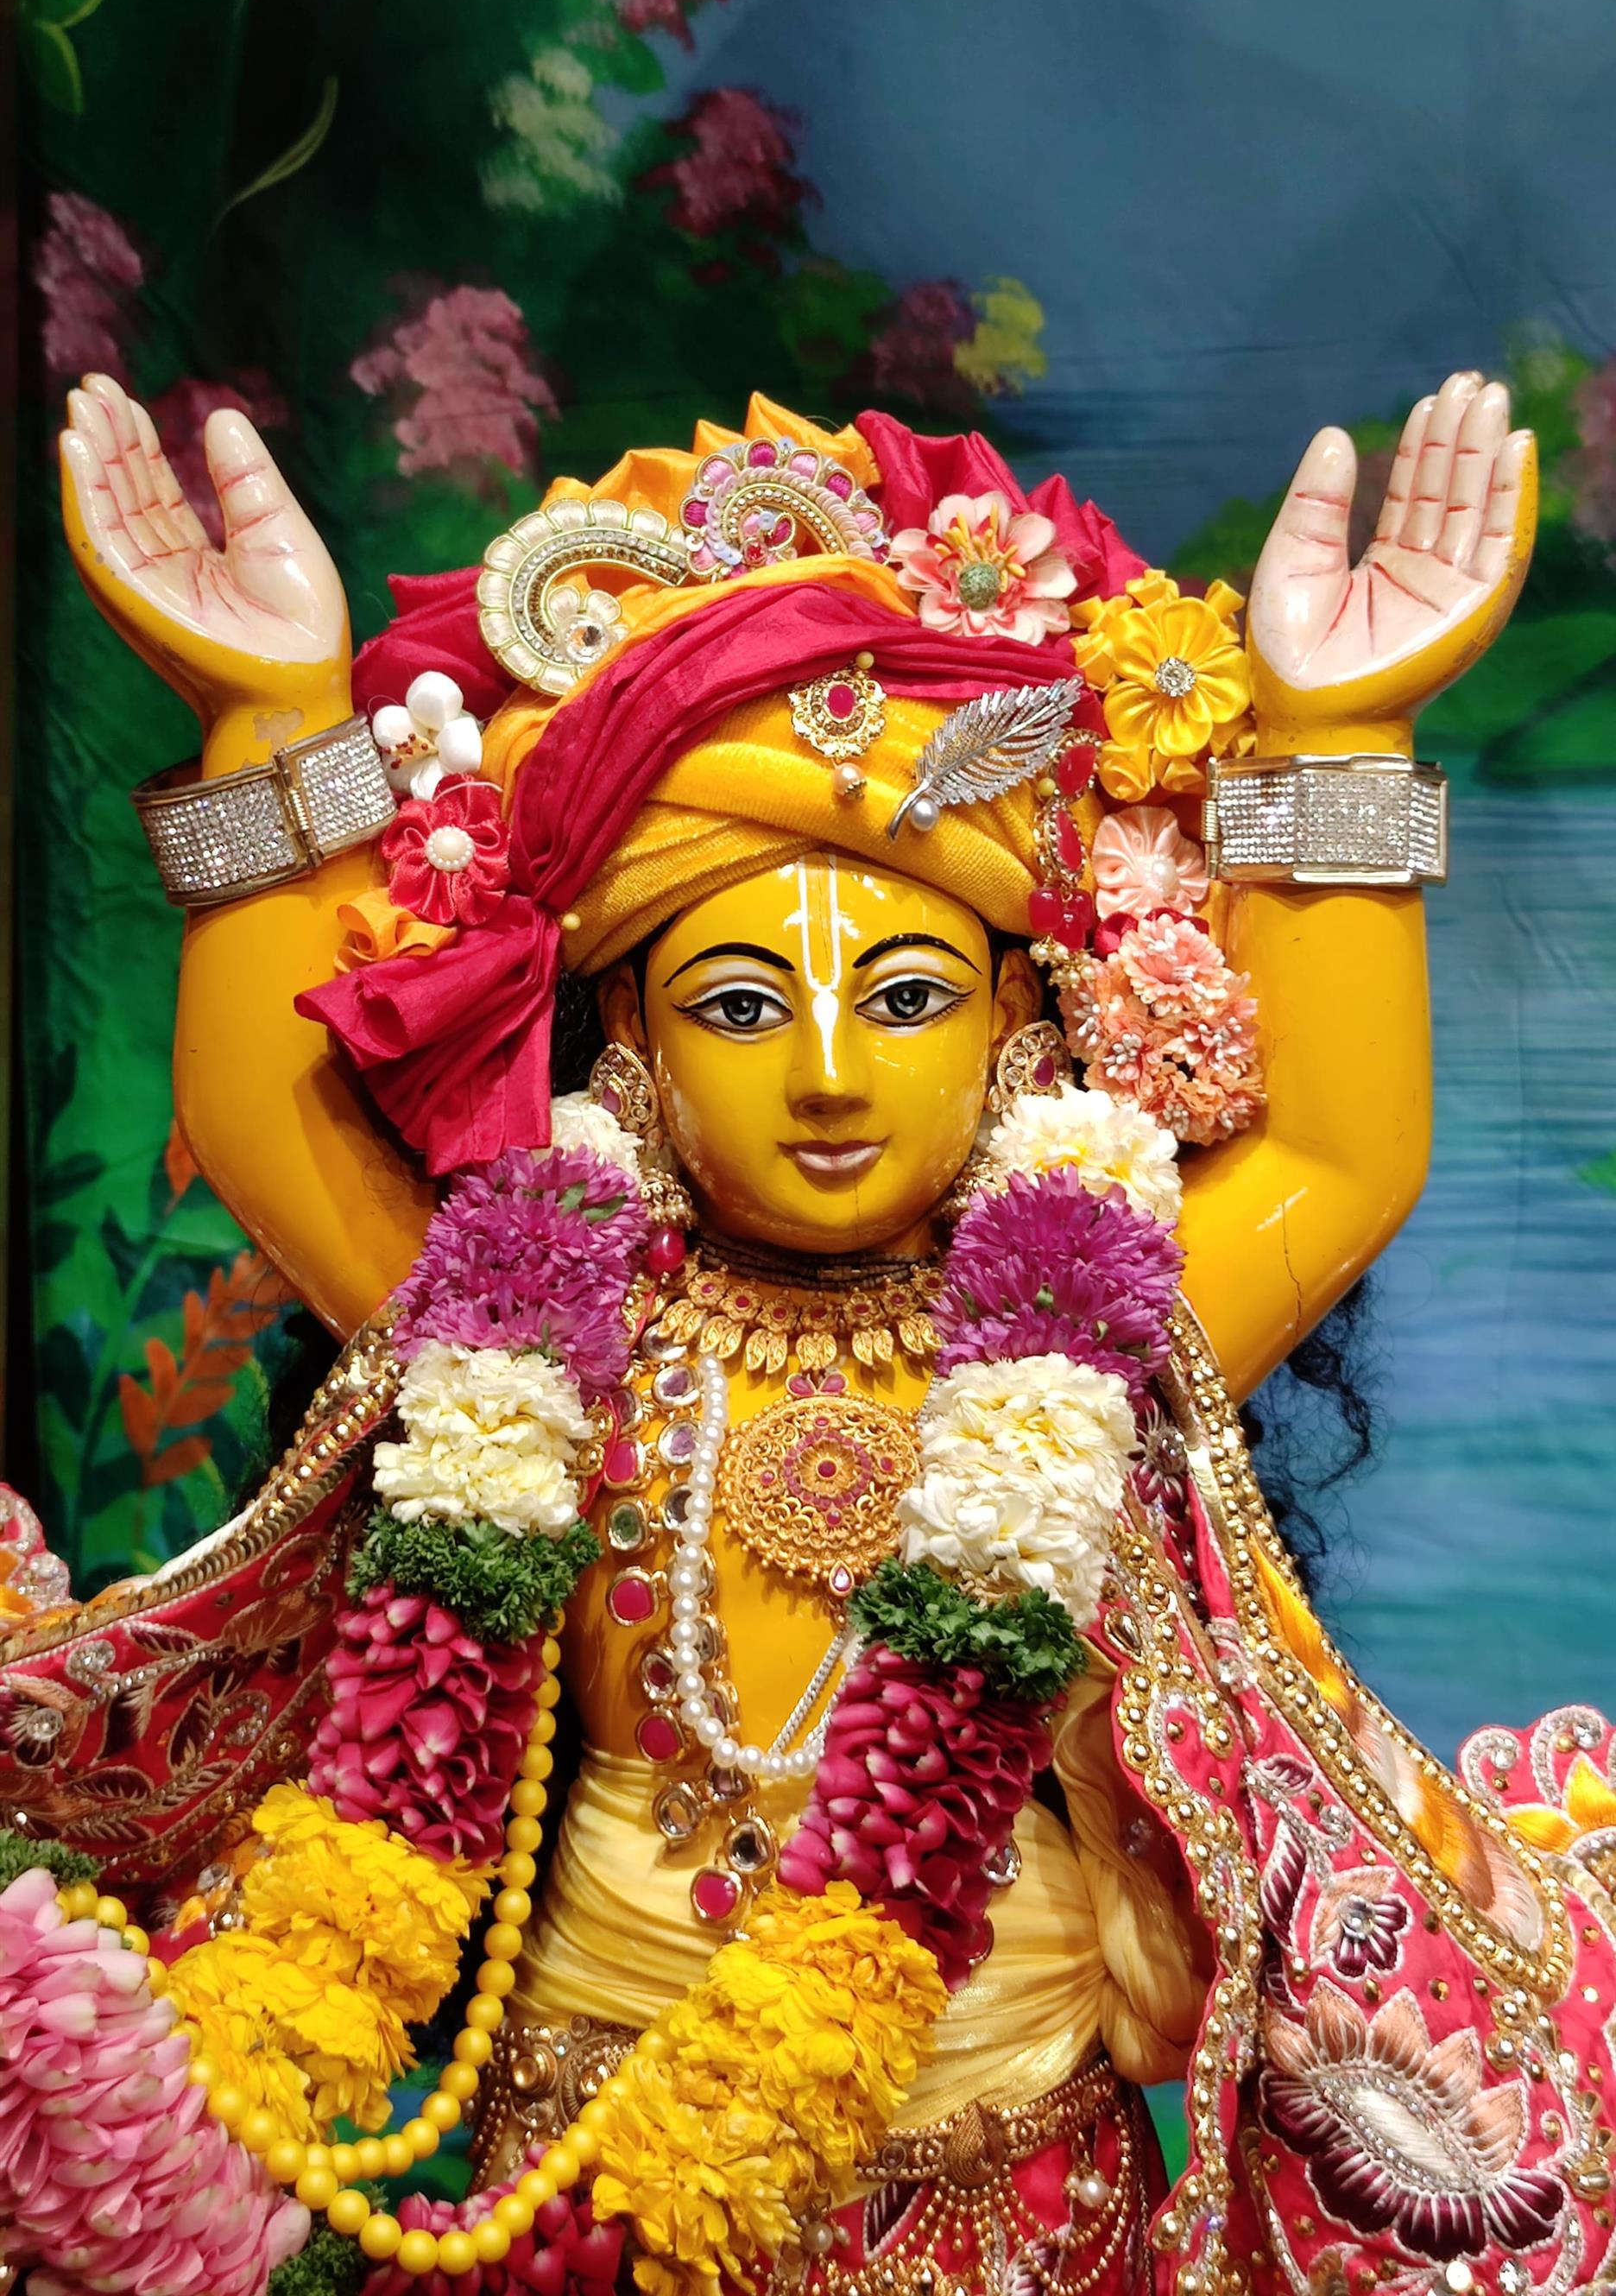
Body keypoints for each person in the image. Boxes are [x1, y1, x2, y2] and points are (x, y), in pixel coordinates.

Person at [3, 370, 1603, 2296]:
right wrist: (268, 715)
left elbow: (1339, 1149)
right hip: (575, 2170)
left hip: (1016, 2207)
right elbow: (273, 1131)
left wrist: (1342, 725)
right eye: (744, 1006)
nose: (832, 1074)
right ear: (632, 1041)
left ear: (1020, 1025)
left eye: (909, 995)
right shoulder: (539, 1329)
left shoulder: (1087, 1339)